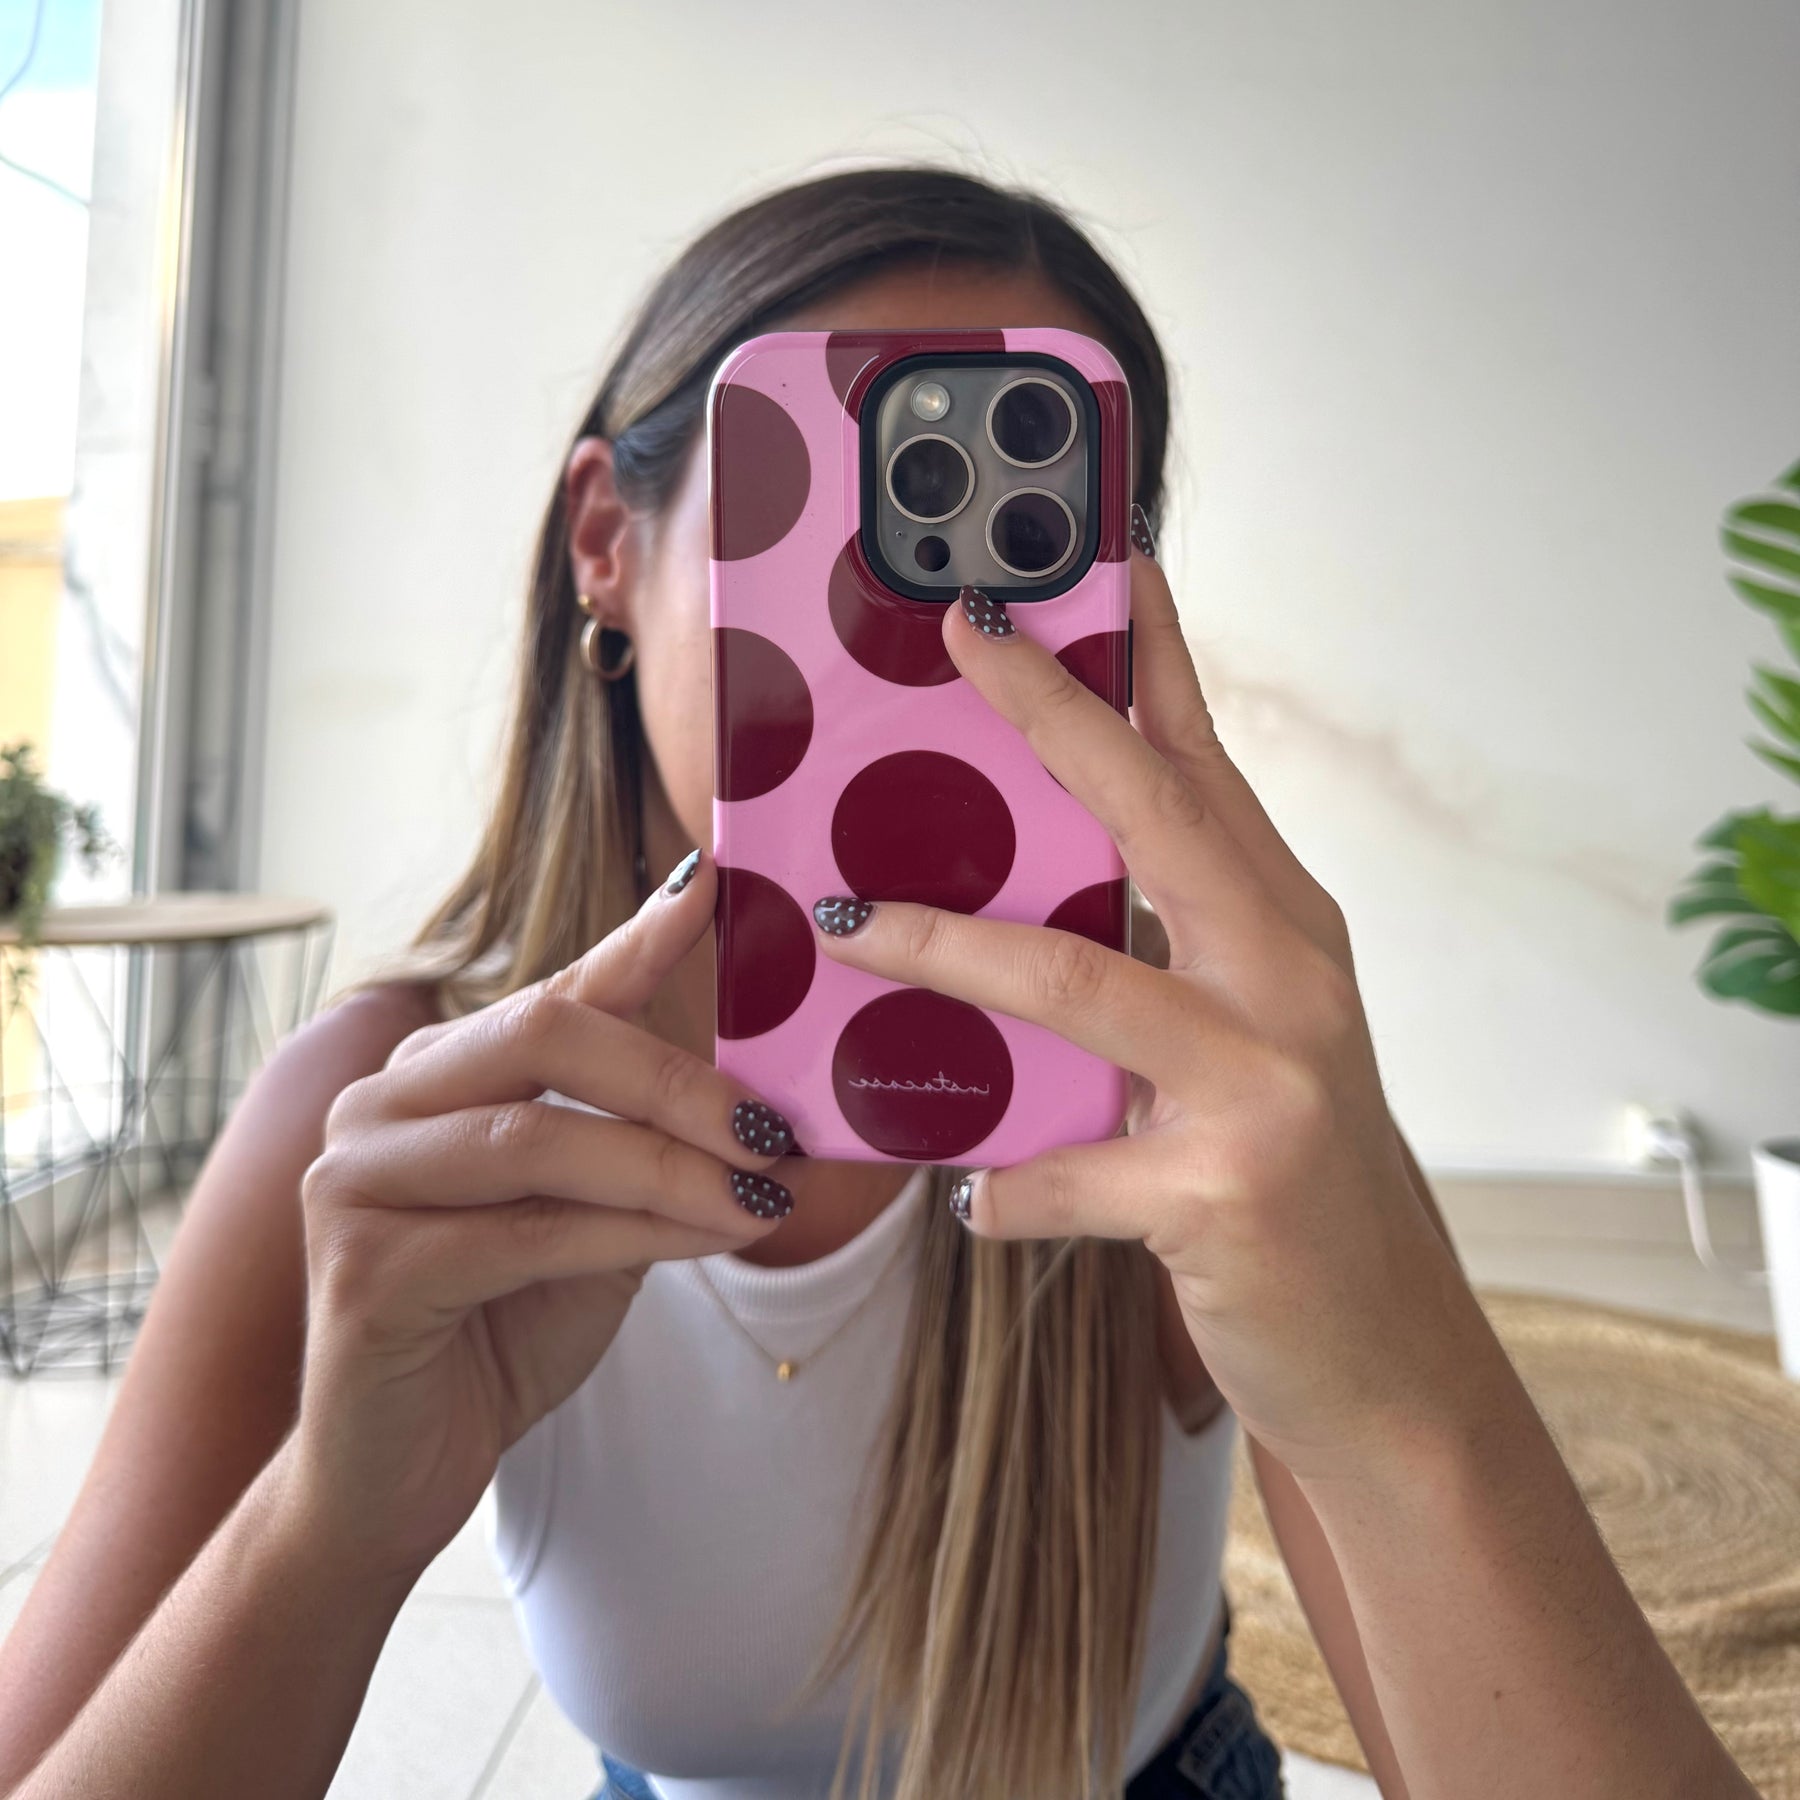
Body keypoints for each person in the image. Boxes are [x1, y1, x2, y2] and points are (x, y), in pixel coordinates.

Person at [0, 168, 1754, 1800]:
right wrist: (328, 1525)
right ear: (607, 540)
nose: (911, 644)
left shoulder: (1192, 1108)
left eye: (1020, 550)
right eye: (830, 517)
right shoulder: (397, 1120)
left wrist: (1406, 1400)